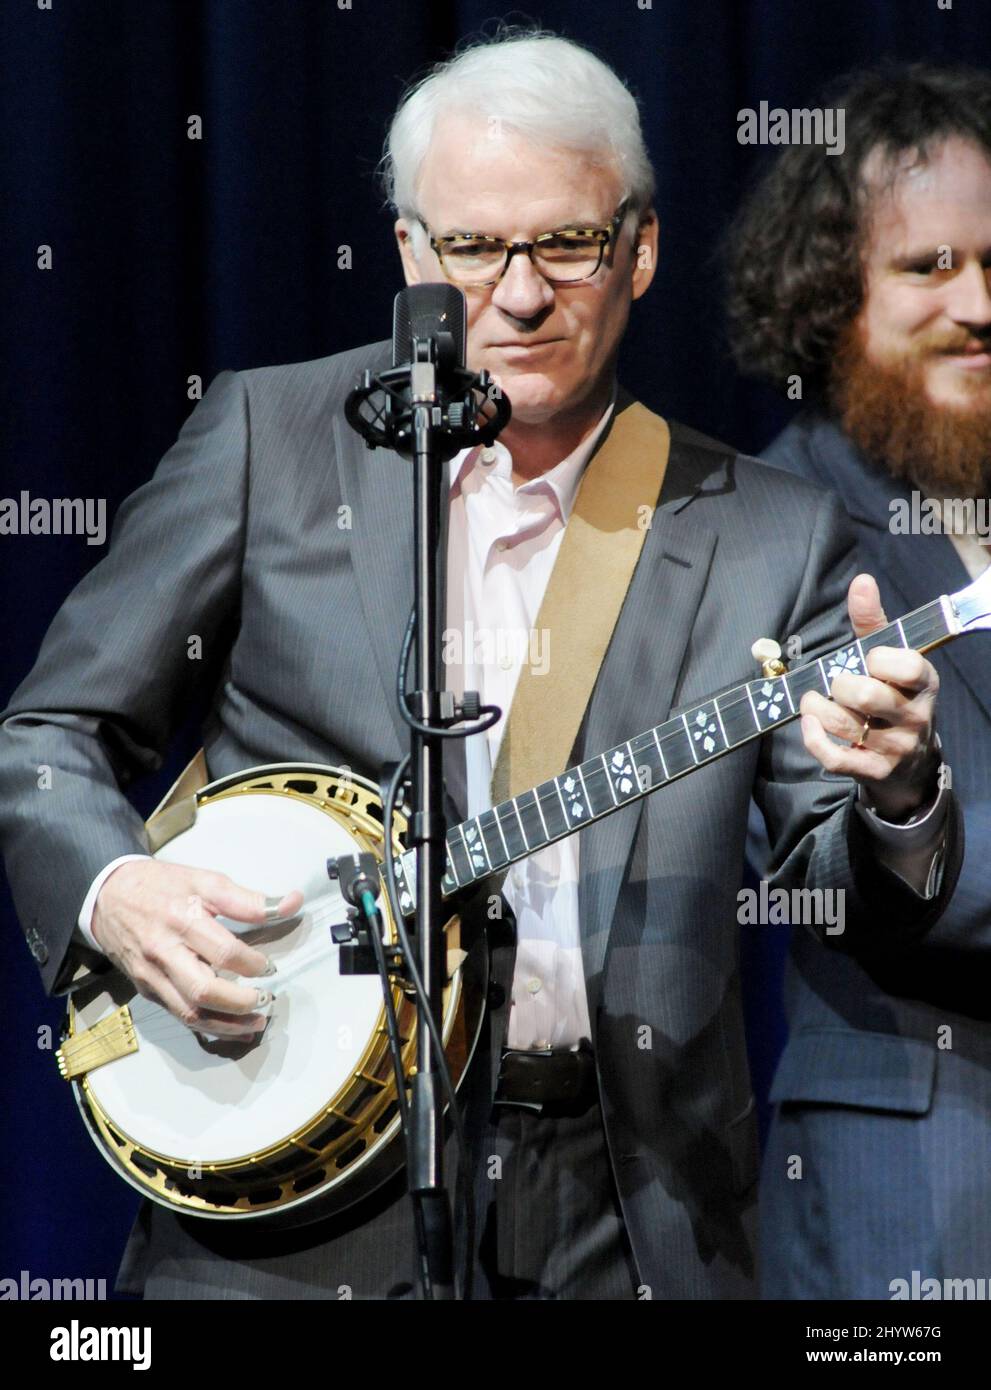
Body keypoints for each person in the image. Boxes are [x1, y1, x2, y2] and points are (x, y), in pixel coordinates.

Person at [0, 32, 962, 1301]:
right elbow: (49, 735)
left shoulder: (769, 533)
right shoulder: (268, 439)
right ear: (410, 253)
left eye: (566, 244)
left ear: (640, 251)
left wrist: (898, 794)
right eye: (471, 247)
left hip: (623, 1206)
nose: (518, 295)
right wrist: (114, 887)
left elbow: (836, 888)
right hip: (281, 1193)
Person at [727, 61, 991, 1299]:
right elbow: (818, 863)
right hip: (922, 1169)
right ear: (832, 295)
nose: (977, 304)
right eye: (927, 267)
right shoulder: (780, 522)